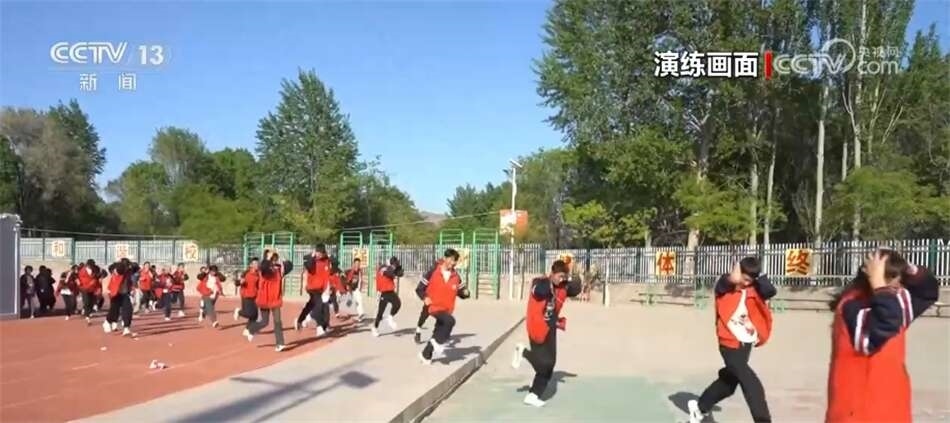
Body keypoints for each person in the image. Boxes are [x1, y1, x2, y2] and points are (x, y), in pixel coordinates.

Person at [825, 248, 939, 423]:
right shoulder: (853, 307)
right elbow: (886, 322)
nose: (898, 286)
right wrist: (880, 285)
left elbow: (927, 292)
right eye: (892, 279)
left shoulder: (891, 302)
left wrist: (906, 267)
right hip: (859, 412)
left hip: (890, 408)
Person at [688, 257, 776, 423]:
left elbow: (770, 292)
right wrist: (732, 277)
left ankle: (699, 407)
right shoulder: (725, 285)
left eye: (750, 280)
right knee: (751, 383)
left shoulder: (754, 287)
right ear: (738, 271)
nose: (746, 283)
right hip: (729, 344)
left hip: (746, 344)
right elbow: (723, 285)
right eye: (744, 278)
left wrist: (759, 276)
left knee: (728, 384)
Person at [511, 259, 581, 407]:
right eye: (559, 276)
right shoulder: (540, 282)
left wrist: (574, 274)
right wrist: (550, 286)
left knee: (549, 365)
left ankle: (533, 395)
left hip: (551, 327)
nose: (561, 280)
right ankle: (524, 352)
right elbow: (539, 292)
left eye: (563, 277)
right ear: (552, 273)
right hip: (537, 327)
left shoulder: (563, 286)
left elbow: (576, 289)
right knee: (544, 363)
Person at [416, 249, 470, 365]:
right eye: (450, 259)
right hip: (434, 306)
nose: (452, 262)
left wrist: (466, 293)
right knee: (450, 321)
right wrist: (425, 297)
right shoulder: (433, 271)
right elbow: (419, 289)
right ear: (445, 258)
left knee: (439, 331)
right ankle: (438, 343)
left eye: (454, 261)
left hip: (447, 309)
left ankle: (425, 355)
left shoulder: (456, 276)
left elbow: (461, 291)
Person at [248, 250, 293, 351]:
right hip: (264, 299)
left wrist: (285, 260)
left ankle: (280, 343)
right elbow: (264, 267)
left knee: (277, 321)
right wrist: (268, 258)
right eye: (272, 259)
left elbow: (290, 266)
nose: (274, 260)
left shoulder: (279, 269)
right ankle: (252, 329)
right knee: (264, 322)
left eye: (275, 258)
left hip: (275, 299)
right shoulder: (264, 270)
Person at [296, 246, 333, 335]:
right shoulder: (311, 260)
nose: (319, 255)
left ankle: (300, 320)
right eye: (318, 253)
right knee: (318, 307)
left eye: (321, 253)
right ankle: (320, 328)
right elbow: (308, 266)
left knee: (310, 305)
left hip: (321, 288)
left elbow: (334, 264)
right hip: (312, 288)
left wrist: (329, 256)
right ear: (315, 252)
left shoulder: (326, 261)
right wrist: (312, 257)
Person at [103, 260, 138, 336]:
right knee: (114, 310)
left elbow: (134, 271)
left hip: (124, 294)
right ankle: (107, 322)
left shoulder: (128, 271)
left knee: (128, 309)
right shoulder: (116, 270)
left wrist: (131, 289)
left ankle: (126, 328)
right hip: (115, 293)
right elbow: (111, 270)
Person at [372, 256, 405, 337]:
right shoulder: (383, 268)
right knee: (380, 313)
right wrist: (394, 271)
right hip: (383, 292)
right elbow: (388, 273)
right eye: (394, 264)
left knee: (397, 304)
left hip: (390, 291)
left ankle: (390, 317)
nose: (395, 265)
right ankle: (375, 327)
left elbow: (399, 274)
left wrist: (398, 271)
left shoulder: (390, 268)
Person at [234, 258, 261, 339]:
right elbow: (237, 283)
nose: (257, 265)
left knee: (255, 315)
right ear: (251, 265)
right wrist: (240, 282)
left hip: (255, 296)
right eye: (255, 263)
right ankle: (239, 312)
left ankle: (247, 330)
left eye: (257, 263)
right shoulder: (246, 274)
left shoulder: (258, 274)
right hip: (246, 295)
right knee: (249, 313)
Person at [77, 260, 100, 324]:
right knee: (86, 302)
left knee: (91, 302)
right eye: (91, 265)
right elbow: (79, 279)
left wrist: (97, 287)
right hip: (84, 288)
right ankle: (87, 316)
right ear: (87, 265)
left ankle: (88, 312)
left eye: (93, 265)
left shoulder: (95, 270)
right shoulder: (82, 271)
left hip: (92, 288)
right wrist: (80, 286)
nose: (92, 266)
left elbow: (97, 278)